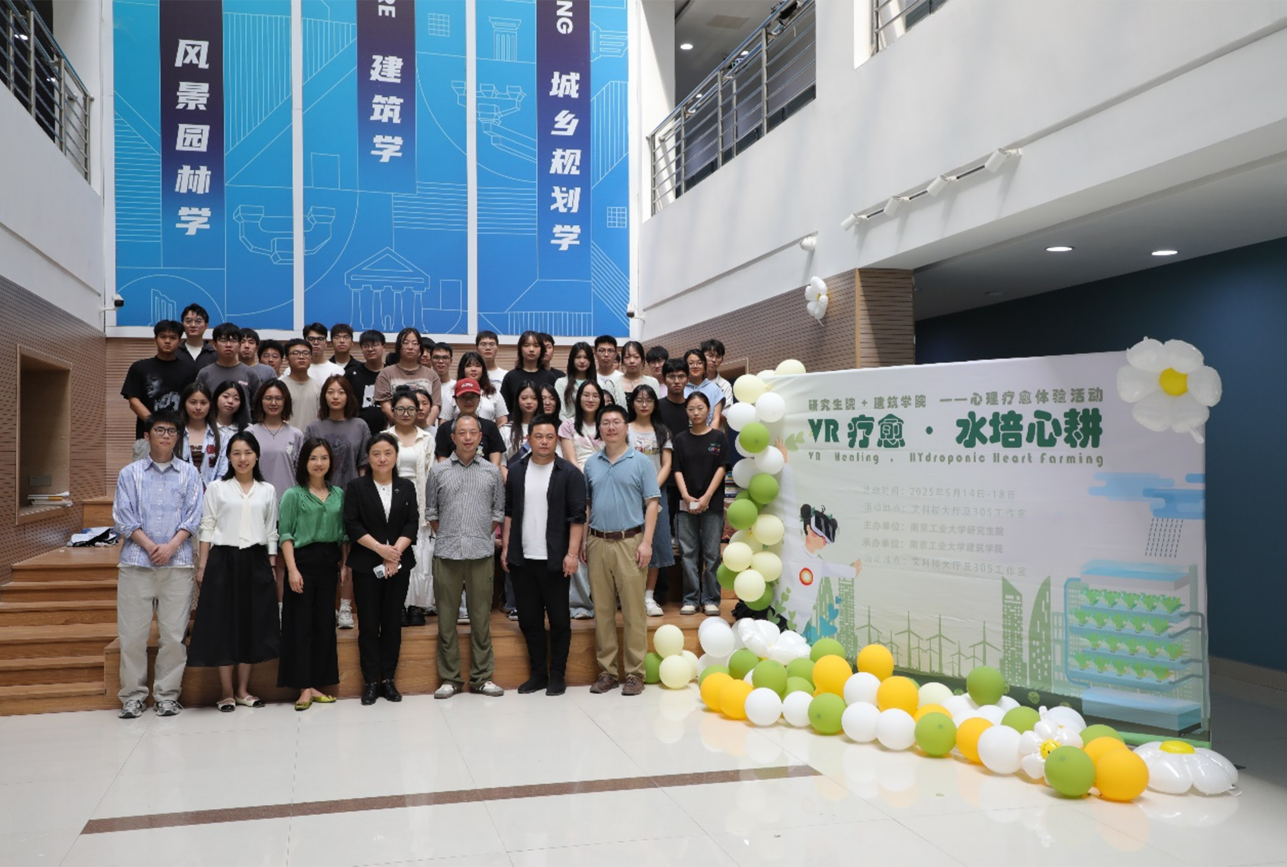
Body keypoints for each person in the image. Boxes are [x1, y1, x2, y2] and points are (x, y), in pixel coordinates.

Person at [112, 411, 204, 718]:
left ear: (178, 438)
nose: (166, 436)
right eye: (160, 430)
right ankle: (132, 696)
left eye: (172, 431)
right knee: (132, 637)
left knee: (173, 637)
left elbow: (194, 516)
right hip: (136, 564)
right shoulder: (129, 474)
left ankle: (167, 695)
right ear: (147, 435)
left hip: (177, 565)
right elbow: (124, 517)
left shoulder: (190, 474)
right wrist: (152, 547)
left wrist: (171, 546)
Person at [189, 432, 280, 711]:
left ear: (257, 456)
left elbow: (271, 530)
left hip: (256, 560)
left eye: (248, 452)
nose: (243, 458)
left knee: (251, 624)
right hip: (222, 560)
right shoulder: (217, 487)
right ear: (228, 457)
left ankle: (242, 690)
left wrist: (271, 565)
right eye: (237, 453)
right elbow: (207, 526)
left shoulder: (268, 490)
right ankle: (226, 692)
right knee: (223, 625)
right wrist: (203, 565)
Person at [502, 415, 585, 696]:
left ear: (557, 440)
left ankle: (558, 674)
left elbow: (577, 518)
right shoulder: (516, 471)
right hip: (522, 558)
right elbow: (509, 512)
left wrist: (572, 554)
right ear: (529, 439)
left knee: (559, 620)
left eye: (550, 437)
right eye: (538, 436)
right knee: (529, 620)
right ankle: (538, 674)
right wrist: (506, 548)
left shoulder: (570, 473)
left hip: (555, 559)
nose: (544, 442)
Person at [426, 415, 506, 699]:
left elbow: (497, 512)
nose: (468, 437)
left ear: (481, 437)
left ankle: (482, 677)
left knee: (481, 619)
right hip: (446, 553)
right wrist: (451, 534)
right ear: (453, 437)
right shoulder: (438, 471)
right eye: (462, 433)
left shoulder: (491, 472)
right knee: (446, 620)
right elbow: (431, 513)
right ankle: (450, 678)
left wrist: (477, 535)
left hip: (481, 554)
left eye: (473, 432)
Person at [583, 405, 660, 696]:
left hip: (631, 542)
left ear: (626, 427)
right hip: (597, 541)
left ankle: (634, 673)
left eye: (616, 422)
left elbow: (652, 503)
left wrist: (647, 542)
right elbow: (587, 505)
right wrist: (583, 541)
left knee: (633, 610)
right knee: (602, 610)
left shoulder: (641, 462)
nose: (611, 427)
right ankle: (607, 672)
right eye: (605, 423)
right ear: (599, 429)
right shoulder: (592, 463)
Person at [343, 433, 419, 705]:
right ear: (368, 457)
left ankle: (388, 679)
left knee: (392, 623)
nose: (382, 458)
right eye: (376, 453)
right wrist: (381, 550)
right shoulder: (356, 487)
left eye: (388, 453)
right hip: (367, 565)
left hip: (399, 565)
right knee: (368, 624)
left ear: (396, 456)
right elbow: (352, 524)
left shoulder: (406, 487)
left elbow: (412, 523)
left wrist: (394, 553)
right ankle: (371, 682)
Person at [277, 438, 346, 711]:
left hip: (329, 564)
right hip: (302, 564)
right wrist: (292, 570)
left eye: (324, 458)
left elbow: (343, 536)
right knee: (300, 626)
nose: (319, 463)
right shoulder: (293, 495)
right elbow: (285, 535)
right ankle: (303, 687)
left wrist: (343, 565)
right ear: (304, 462)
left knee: (323, 625)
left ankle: (317, 683)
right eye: (313, 458)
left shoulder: (338, 494)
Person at [305, 375, 370, 630]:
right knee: (324, 554)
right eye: (330, 392)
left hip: (351, 497)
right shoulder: (314, 427)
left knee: (349, 554)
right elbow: (307, 464)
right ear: (324, 396)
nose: (335, 396)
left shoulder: (360, 426)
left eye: (341, 392)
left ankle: (345, 608)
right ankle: (327, 607)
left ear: (348, 396)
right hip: (319, 497)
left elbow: (364, 465)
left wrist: (364, 497)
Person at [247, 380, 305, 603]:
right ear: (260, 401)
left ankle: (280, 610)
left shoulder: (296, 434)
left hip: (287, 507)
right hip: (255, 506)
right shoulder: (249, 433)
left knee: (282, 563)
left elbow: (302, 473)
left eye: (278, 398)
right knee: (258, 561)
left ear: (286, 402)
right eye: (268, 398)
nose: (273, 402)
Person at [673, 392, 728, 616]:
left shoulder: (719, 437)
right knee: (688, 553)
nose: (696, 413)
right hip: (685, 505)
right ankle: (690, 598)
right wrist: (686, 496)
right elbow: (676, 469)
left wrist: (706, 497)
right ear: (686, 412)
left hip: (712, 504)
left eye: (700, 408)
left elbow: (722, 468)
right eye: (691, 409)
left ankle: (711, 599)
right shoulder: (680, 439)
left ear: (708, 410)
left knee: (712, 554)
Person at [387, 390, 436, 626]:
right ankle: (397, 605)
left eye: (410, 409)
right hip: (392, 499)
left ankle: (416, 605)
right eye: (400, 409)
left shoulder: (426, 438)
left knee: (420, 553)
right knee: (396, 550)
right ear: (392, 411)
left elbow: (431, 473)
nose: (405, 414)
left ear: (418, 412)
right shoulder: (385, 437)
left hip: (420, 499)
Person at [558, 380, 604, 620]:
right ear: (578, 398)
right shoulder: (568, 425)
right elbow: (570, 460)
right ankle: (580, 603)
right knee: (578, 544)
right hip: (578, 484)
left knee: (603, 544)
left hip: (607, 485)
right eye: (586, 395)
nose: (590, 399)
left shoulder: (607, 422)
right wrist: (588, 482)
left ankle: (604, 601)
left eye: (595, 395)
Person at [627, 385, 674, 617]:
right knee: (629, 543)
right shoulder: (624, 429)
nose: (644, 404)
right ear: (632, 403)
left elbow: (667, 464)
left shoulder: (662, 431)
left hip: (656, 494)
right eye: (639, 400)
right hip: (628, 493)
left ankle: (649, 597)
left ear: (655, 404)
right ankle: (630, 595)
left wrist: (651, 488)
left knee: (653, 543)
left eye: (649, 400)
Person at [121, 319, 196, 462]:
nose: (167, 341)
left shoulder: (190, 369)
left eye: (173, 337)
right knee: (142, 474)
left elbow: (192, 401)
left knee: (180, 474)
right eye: (163, 337)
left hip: (179, 436)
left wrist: (172, 427)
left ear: (180, 341)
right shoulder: (139, 367)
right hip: (146, 437)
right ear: (155, 339)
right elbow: (134, 401)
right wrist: (154, 423)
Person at [375, 327, 442, 427]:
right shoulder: (386, 374)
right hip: (396, 430)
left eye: (415, 343)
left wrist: (422, 430)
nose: (410, 347)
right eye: (405, 343)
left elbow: (435, 407)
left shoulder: (432, 375)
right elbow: (386, 407)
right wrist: (405, 428)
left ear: (420, 348)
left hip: (425, 431)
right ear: (398, 347)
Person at [434, 379, 506, 465]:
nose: (468, 401)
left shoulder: (490, 426)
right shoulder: (445, 428)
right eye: (463, 397)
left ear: (479, 399)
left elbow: (495, 461)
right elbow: (442, 460)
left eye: (473, 397)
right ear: (455, 400)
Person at [196, 323, 263, 401]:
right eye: (223, 340)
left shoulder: (250, 374)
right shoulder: (205, 374)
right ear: (214, 345)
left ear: (239, 345)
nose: (228, 345)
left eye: (233, 340)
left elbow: (257, 404)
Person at [443, 351, 508, 424]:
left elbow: (502, 420)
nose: (473, 369)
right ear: (462, 369)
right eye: (468, 366)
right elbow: (444, 422)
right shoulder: (451, 393)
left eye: (477, 366)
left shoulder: (493, 392)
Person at [501, 330, 558, 414]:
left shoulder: (550, 377)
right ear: (520, 349)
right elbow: (503, 409)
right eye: (526, 345)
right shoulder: (510, 377)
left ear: (541, 350)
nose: (531, 349)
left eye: (536, 346)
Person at [177, 383, 220, 486]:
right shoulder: (174, 434)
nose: (198, 407)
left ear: (210, 405)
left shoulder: (221, 437)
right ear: (184, 404)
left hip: (212, 492)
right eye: (193, 402)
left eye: (203, 403)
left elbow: (223, 472)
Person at [347, 330, 388, 436]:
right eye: (366, 346)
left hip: (388, 430)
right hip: (357, 432)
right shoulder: (352, 374)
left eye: (374, 345)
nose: (370, 349)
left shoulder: (391, 373)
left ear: (384, 347)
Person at [209, 381, 250, 481]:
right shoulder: (206, 428)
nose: (230, 401)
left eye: (236, 399)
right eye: (226, 396)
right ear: (216, 398)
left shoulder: (247, 430)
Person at [280, 338, 323, 434]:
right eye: (295, 353)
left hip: (312, 439)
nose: (301, 357)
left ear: (311, 357)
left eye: (305, 353)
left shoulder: (318, 386)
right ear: (287, 359)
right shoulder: (279, 387)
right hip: (286, 438)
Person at [682, 348, 724, 430]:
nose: (695, 366)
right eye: (691, 363)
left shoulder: (714, 389)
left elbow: (715, 419)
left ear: (705, 366)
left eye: (699, 363)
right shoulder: (680, 388)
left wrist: (709, 436)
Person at [553, 341, 594, 421]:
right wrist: (571, 426)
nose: (582, 361)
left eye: (586, 357)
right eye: (578, 357)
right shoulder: (561, 383)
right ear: (572, 359)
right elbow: (561, 413)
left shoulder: (598, 383)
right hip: (567, 426)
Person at [502, 382, 541, 464]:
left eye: (534, 398)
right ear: (517, 400)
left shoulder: (547, 429)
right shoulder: (505, 429)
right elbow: (501, 463)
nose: (529, 402)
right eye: (524, 398)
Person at [180, 303, 217, 368]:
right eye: (188, 321)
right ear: (182, 325)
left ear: (206, 326)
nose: (193, 325)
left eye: (198, 321)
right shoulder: (175, 353)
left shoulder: (215, 354)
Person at [593, 334, 626, 406]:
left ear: (615, 354)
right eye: (602, 350)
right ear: (595, 353)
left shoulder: (622, 378)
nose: (606, 354)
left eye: (610, 351)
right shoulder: (590, 377)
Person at [701, 339, 735, 409]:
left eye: (718, 357)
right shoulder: (692, 382)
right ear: (701, 357)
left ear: (722, 360)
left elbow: (726, 412)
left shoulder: (725, 385)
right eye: (710, 355)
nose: (714, 360)